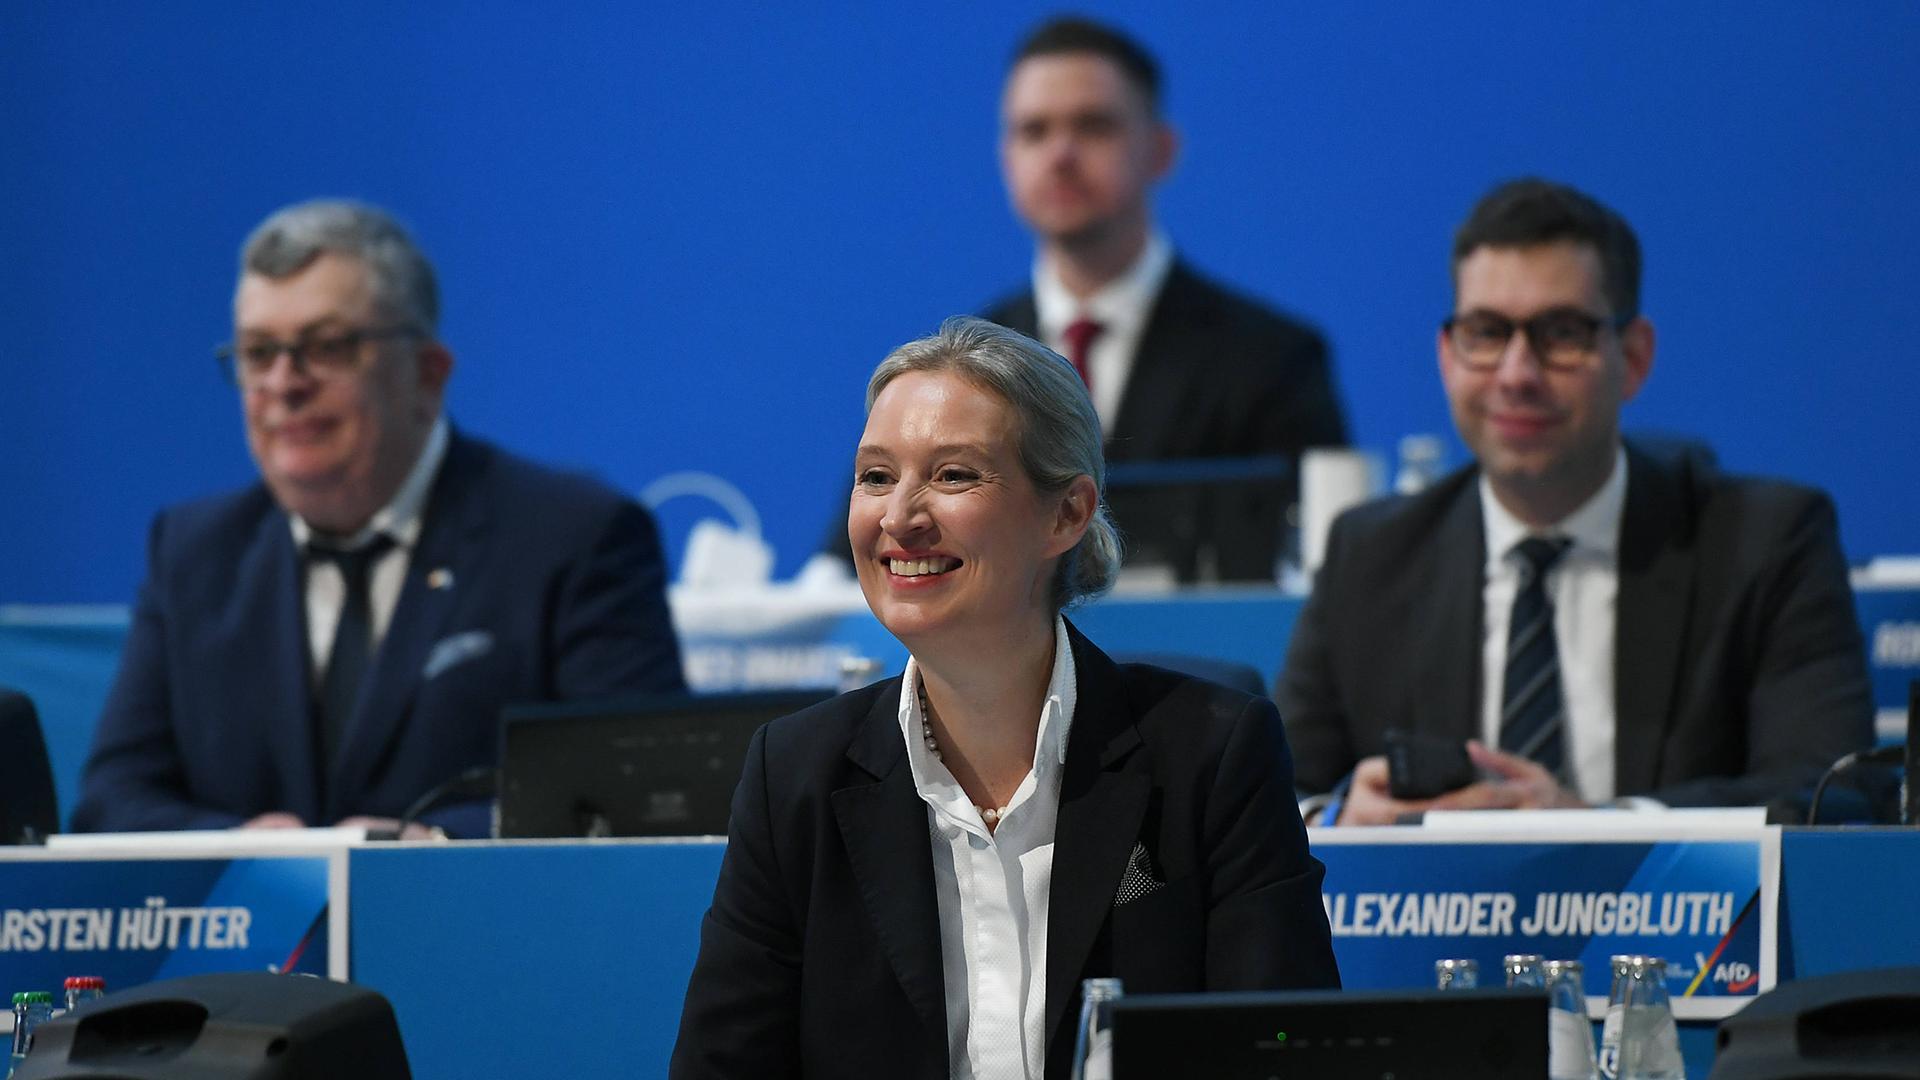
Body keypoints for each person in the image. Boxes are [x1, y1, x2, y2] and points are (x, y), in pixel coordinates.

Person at [672, 317, 1336, 1079]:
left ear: (1067, 513)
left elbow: (1290, 1052)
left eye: (953, 475)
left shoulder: (1213, 756)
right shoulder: (793, 775)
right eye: (876, 476)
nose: (899, 518)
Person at [72, 199, 683, 838]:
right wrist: (235, 853)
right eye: (259, 353)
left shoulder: (573, 537)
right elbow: (113, 801)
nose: (284, 383)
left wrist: (431, 850)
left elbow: (643, 794)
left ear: (428, 374)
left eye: (326, 346)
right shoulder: (193, 553)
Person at [1278, 178, 1873, 825]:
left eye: (1561, 333)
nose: (1517, 374)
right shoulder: (1371, 555)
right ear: (1447, 357)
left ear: (1636, 357)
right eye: (1486, 332)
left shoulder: (1766, 544)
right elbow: (1275, 799)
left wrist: (1591, 826)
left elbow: (1827, 794)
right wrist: (1338, 821)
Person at [986, 15, 1347, 581]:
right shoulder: (966, 367)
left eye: (1093, 126)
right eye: (1034, 131)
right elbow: (843, 571)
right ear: (1006, 159)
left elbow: (1322, 575)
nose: (1060, 153)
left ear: (1160, 150)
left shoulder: (1271, 360)